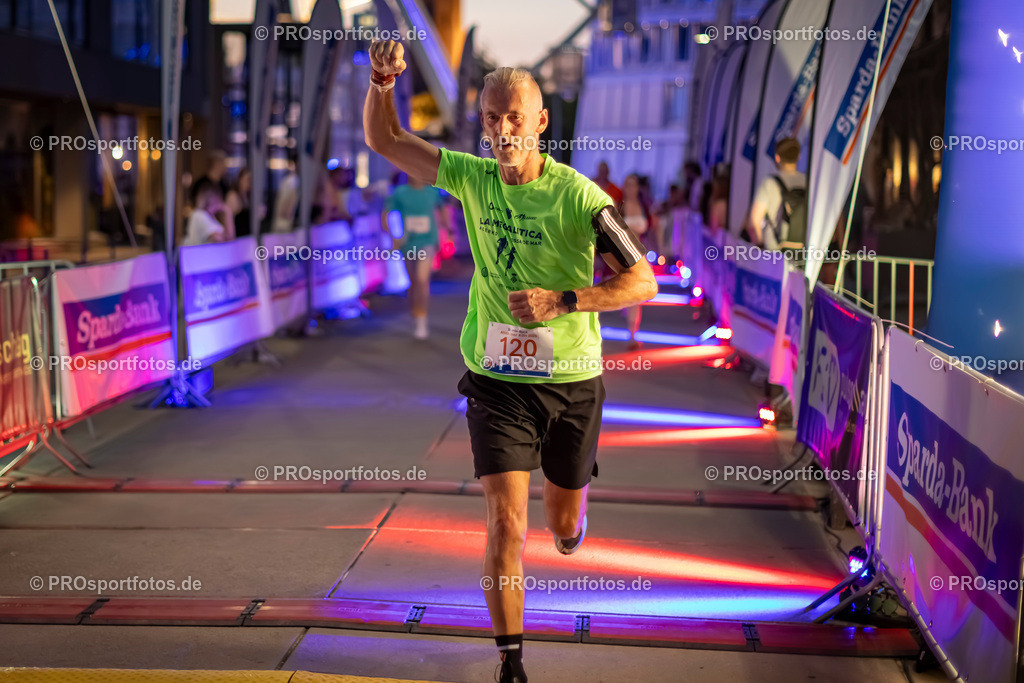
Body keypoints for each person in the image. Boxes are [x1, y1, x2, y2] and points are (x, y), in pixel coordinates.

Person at [364, 40, 657, 683]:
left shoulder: (581, 198)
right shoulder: (470, 176)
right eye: (492, 119)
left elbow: (642, 282)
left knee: (561, 522)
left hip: (572, 381)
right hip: (496, 381)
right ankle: (511, 660)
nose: (501, 131)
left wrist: (564, 300)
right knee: (505, 520)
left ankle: (576, 518)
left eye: (514, 119)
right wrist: (383, 81)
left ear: (541, 123)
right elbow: (387, 141)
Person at [382, 174, 451, 339]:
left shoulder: (432, 192)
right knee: (413, 283)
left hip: (427, 241)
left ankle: (422, 320)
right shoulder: (400, 193)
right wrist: (394, 238)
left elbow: (442, 210)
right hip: (408, 244)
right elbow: (385, 215)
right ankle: (415, 312)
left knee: (422, 280)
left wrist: (448, 231)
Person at [748, 137, 806, 249]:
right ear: (798, 157)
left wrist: (760, 247)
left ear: (777, 158)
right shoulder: (808, 182)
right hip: (804, 252)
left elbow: (753, 223)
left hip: (775, 252)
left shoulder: (769, 183)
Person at [620, 173, 654, 351]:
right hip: (621, 255)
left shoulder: (643, 206)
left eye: (634, 185)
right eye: (628, 184)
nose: (631, 188)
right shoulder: (618, 206)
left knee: (636, 296)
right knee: (625, 294)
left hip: (639, 254)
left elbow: (650, 228)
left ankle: (633, 334)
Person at [184, 178, 233, 246]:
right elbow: (223, 240)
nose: (220, 201)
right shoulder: (199, 215)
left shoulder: (210, 217)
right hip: (201, 256)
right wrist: (227, 212)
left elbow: (228, 239)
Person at [227, 167, 253, 238]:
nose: (249, 182)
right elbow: (228, 220)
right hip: (237, 238)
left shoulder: (248, 197)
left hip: (247, 237)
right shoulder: (233, 195)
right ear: (240, 179)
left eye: (251, 180)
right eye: (247, 179)